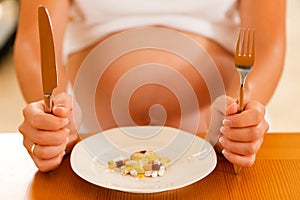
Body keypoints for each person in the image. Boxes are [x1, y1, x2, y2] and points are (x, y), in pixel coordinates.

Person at [14, 0, 286, 172]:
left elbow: (268, 46)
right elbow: (33, 45)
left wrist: (239, 116)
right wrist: (54, 118)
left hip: (221, 148)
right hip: (88, 146)